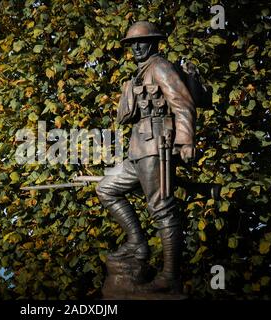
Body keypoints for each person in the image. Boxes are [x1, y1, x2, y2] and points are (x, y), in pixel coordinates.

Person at [95, 21, 196, 294]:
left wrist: (185, 140)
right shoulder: (140, 72)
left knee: (161, 208)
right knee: (106, 188)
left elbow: (182, 103)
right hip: (139, 148)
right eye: (132, 44)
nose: (137, 48)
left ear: (153, 43)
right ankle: (137, 243)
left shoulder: (160, 66)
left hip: (157, 146)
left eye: (142, 43)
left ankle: (170, 275)